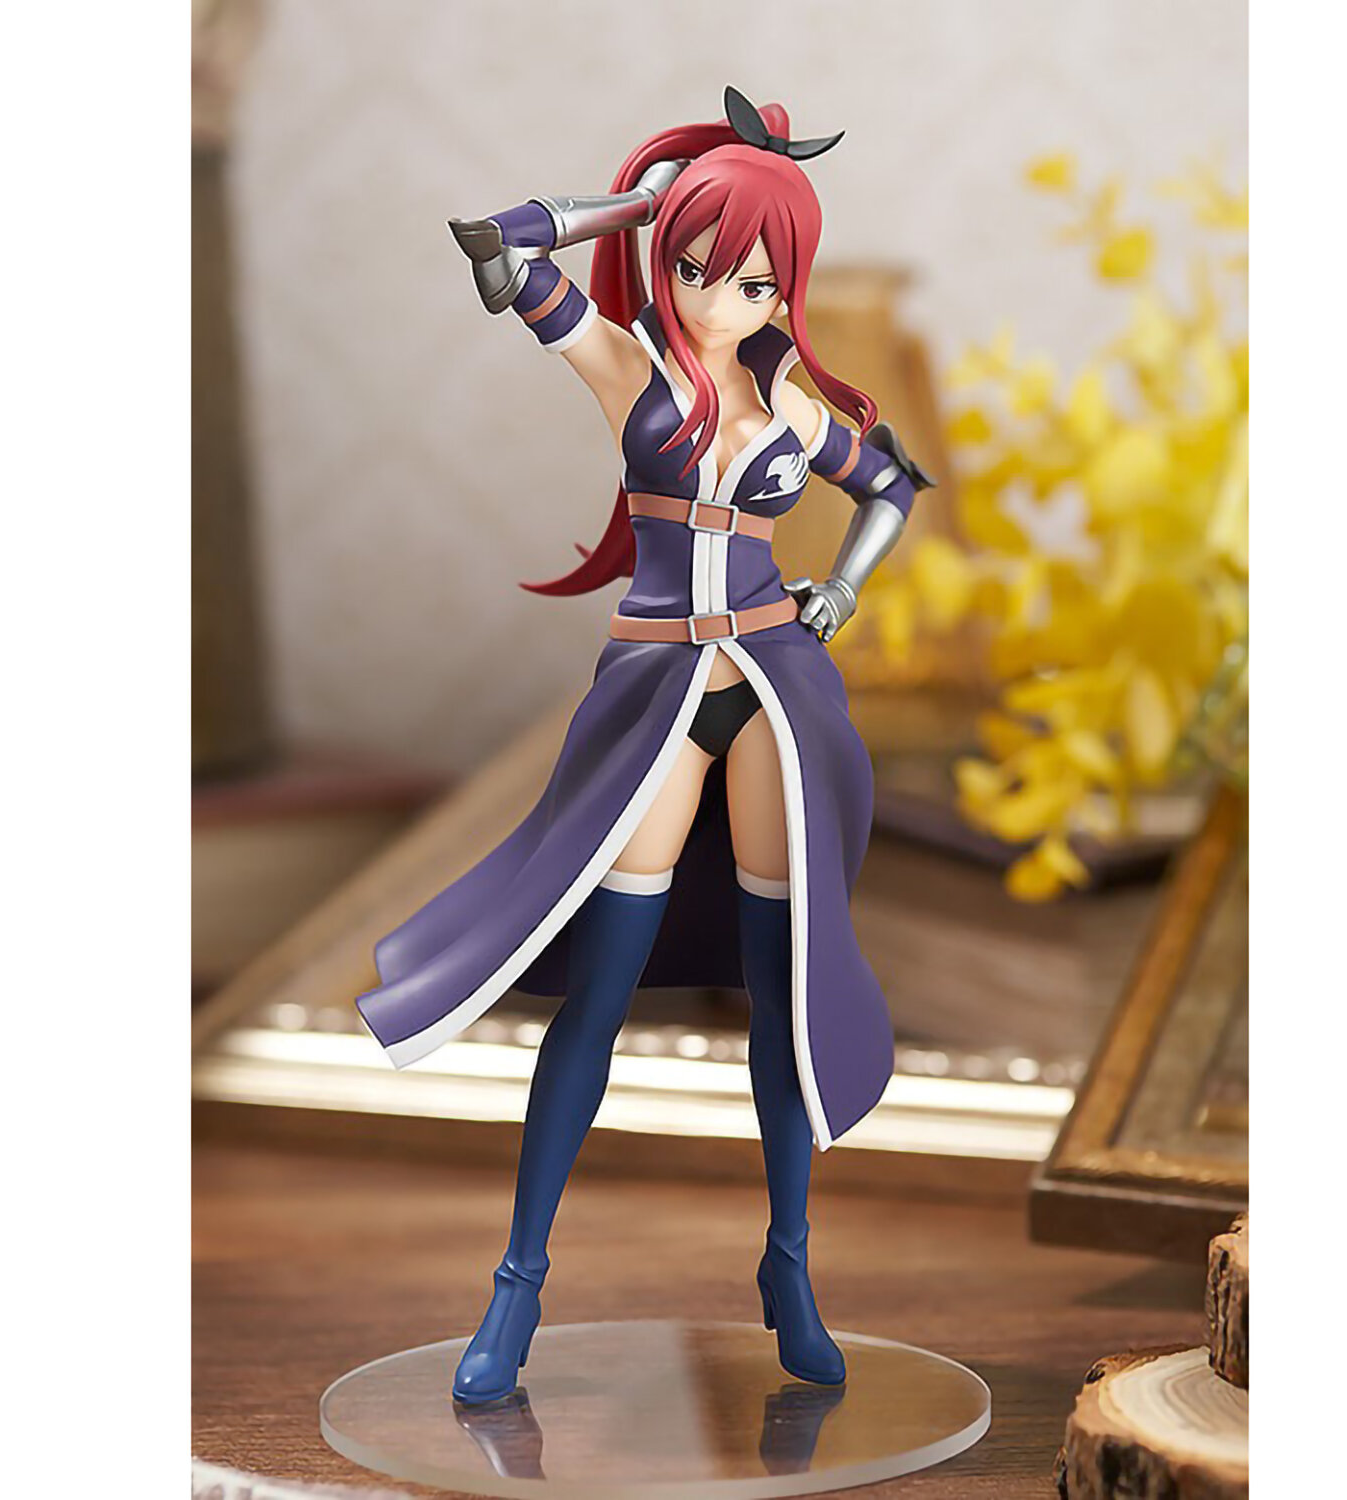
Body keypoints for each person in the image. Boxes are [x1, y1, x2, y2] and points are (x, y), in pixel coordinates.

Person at [355, 87, 933, 1404]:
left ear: (787, 288)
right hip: (660, 684)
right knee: (600, 993)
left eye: (752, 278)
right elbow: (499, 244)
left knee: (785, 992)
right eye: (696, 264)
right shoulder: (630, 368)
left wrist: (845, 588)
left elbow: (893, 487)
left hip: (775, 686)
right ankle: (517, 1284)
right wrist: (645, 199)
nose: (719, 297)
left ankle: (789, 1267)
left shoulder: (795, 412)